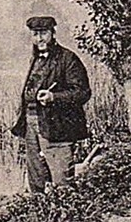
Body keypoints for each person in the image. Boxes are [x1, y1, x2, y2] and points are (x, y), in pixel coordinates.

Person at [10, 15, 92, 192]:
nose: (39, 39)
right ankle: (39, 211)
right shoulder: (34, 59)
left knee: (62, 177)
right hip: (31, 122)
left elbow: (83, 92)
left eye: (44, 33)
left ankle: (67, 212)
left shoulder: (68, 59)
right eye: (35, 34)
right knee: (36, 174)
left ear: (53, 34)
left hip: (58, 125)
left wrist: (54, 97)